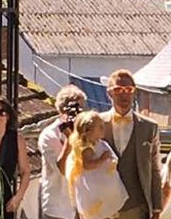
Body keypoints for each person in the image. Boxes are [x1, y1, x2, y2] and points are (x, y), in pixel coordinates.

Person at [101, 69, 162, 219]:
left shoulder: (149, 127)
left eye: (129, 89)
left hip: (136, 207)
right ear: (109, 93)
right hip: (103, 206)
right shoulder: (97, 123)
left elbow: (154, 170)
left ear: (134, 92)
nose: (124, 94)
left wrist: (156, 208)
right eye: (118, 89)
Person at [66, 111, 129, 219]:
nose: (103, 129)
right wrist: (102, 159)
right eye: (99, 127)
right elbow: (87, 165)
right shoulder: (87, 148)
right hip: (92, 189)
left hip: (101, 186)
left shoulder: (98, 143)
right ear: (88, 130)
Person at [38, 84, 87, 219]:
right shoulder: (49, 135)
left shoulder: (87, 131)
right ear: (62, 110)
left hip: (84, 207)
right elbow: (62, 169)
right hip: (59, 208)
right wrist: (69, 138)